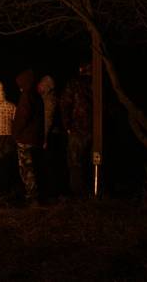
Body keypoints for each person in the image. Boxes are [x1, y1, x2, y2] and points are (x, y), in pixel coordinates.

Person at [60, 61, 93, 197]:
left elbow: (64, 104)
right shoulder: (97, 84)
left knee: (75, 162)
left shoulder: (73, 84)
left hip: (77, 129)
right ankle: (90, 191)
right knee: (90, 161)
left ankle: (79, 194)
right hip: (93, 129)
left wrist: (67, 125)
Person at [12, 68, 45, 205]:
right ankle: (34, 196)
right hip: (35, 137)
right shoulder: (37, 96)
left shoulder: (26, 96)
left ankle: (32, 198)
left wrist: (15, 132)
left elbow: (22, 117)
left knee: (27, 169)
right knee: (34, 168)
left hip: (25, 138)